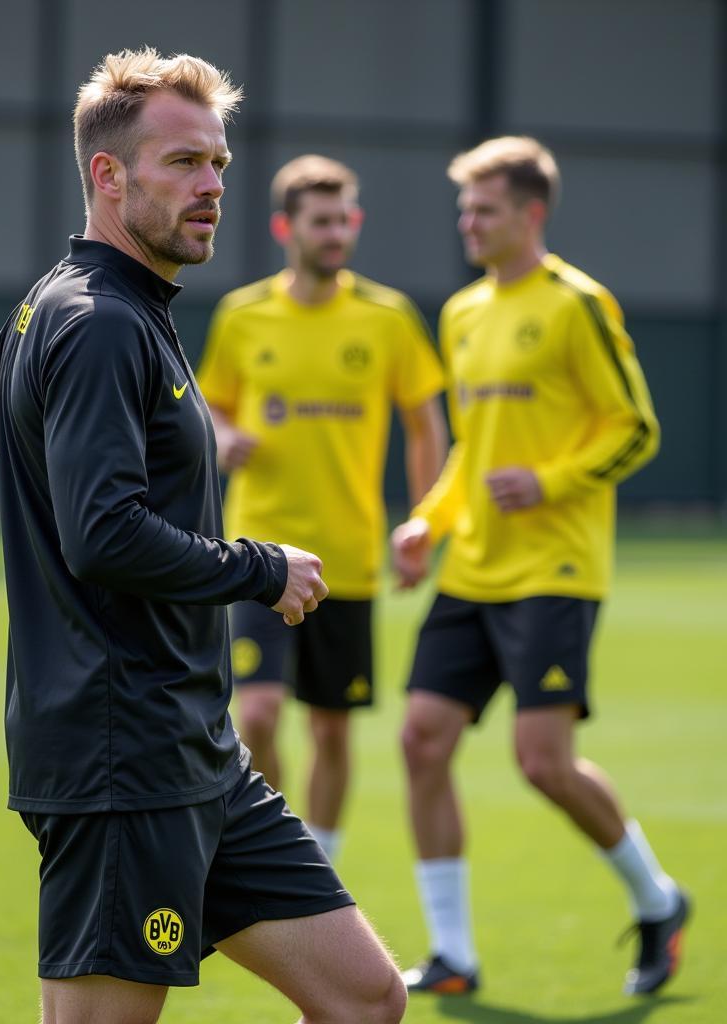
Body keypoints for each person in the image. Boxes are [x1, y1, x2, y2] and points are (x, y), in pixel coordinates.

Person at [0, 49, 406, 1024]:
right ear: (109, 175)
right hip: (117, 758)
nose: (213, 185)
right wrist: (259, 568)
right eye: (183, 162)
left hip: (194, 749)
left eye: (218, 162)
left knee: (365, 998)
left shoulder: (101, 306)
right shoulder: (94, 319)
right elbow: (102, 534)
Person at [391, 136, 689, 998]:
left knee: (542, 762)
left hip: (556, 567)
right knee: (420, 740)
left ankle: (658, 898)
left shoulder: (577, 304)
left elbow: (635, 427)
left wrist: (550, 480)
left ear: (531, 214)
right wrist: (427, 522)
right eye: (464, 210)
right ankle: (454, 956)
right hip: (472, 569)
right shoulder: (462, 313)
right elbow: (471, 455)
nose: (468, 224)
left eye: (483, 209)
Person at [197, 154, 447, 863]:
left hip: (347, 555)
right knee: (259, 712)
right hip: (258, 556)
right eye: (321, 221)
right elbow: (209, 409)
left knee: (334, 730)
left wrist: (423, 517)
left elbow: (426, 422)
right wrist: (224, 435)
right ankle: (273, 850)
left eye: (345, 219)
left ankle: (319, 866)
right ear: (286, 227)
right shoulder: (243, 316)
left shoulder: (387, 317)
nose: (337, 234)